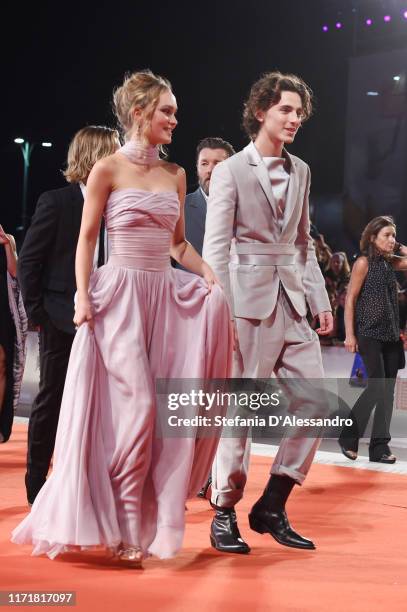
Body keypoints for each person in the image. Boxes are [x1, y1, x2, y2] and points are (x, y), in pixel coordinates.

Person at [12, 69, 232, 566]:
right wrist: (83, 297)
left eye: (174, 111)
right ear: (140, 113)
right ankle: (127, 523)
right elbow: (88, 239)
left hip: (163, 299)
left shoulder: (175, 175)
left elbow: (177, 244)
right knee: (136, 409)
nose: (175, 119)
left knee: (161, 414)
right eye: (167, 111)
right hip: (119, 299)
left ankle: (130, 522)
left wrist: (209, 276)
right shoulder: (107, 169)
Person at [203, 71, 333, 554]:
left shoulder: (301, 170)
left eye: (299, 112)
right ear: (261, 111)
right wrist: (222, 311)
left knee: (318, 402)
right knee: (240, 410)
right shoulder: (231, 170)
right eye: (286, 109)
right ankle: (224, 510)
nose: (295, 118)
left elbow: (301, 242)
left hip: (294, 301)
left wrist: (318, 298)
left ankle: (272, 503)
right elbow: (215, 250)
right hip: (245, 303)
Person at [17, 126, 120, 506]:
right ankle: (36, 482)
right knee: (53, 398)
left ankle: (89, 481)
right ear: (96, 156)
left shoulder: (119, 206)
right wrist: (38, 313)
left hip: (111, 318)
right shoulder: (57, 201)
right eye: (114, 151)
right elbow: (30, 261)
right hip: (63, 320)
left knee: (104, 404)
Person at [339, 216, 407, 463]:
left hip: (390, 335)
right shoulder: (363, 263)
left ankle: (379, 448)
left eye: (394, 235)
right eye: (387, 235)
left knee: (387, 392)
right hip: (369, 334)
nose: (392, 240)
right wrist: (349, 334)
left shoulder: (392, 263)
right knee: (377, 387)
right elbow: (350, 300)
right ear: (372, 238)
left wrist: (399, 248)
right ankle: (349, 435)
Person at [0, 225, 27, 443]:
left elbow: (16, 273)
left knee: (1, 365)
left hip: (3, 309)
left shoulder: (7, 239)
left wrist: (7, 245)